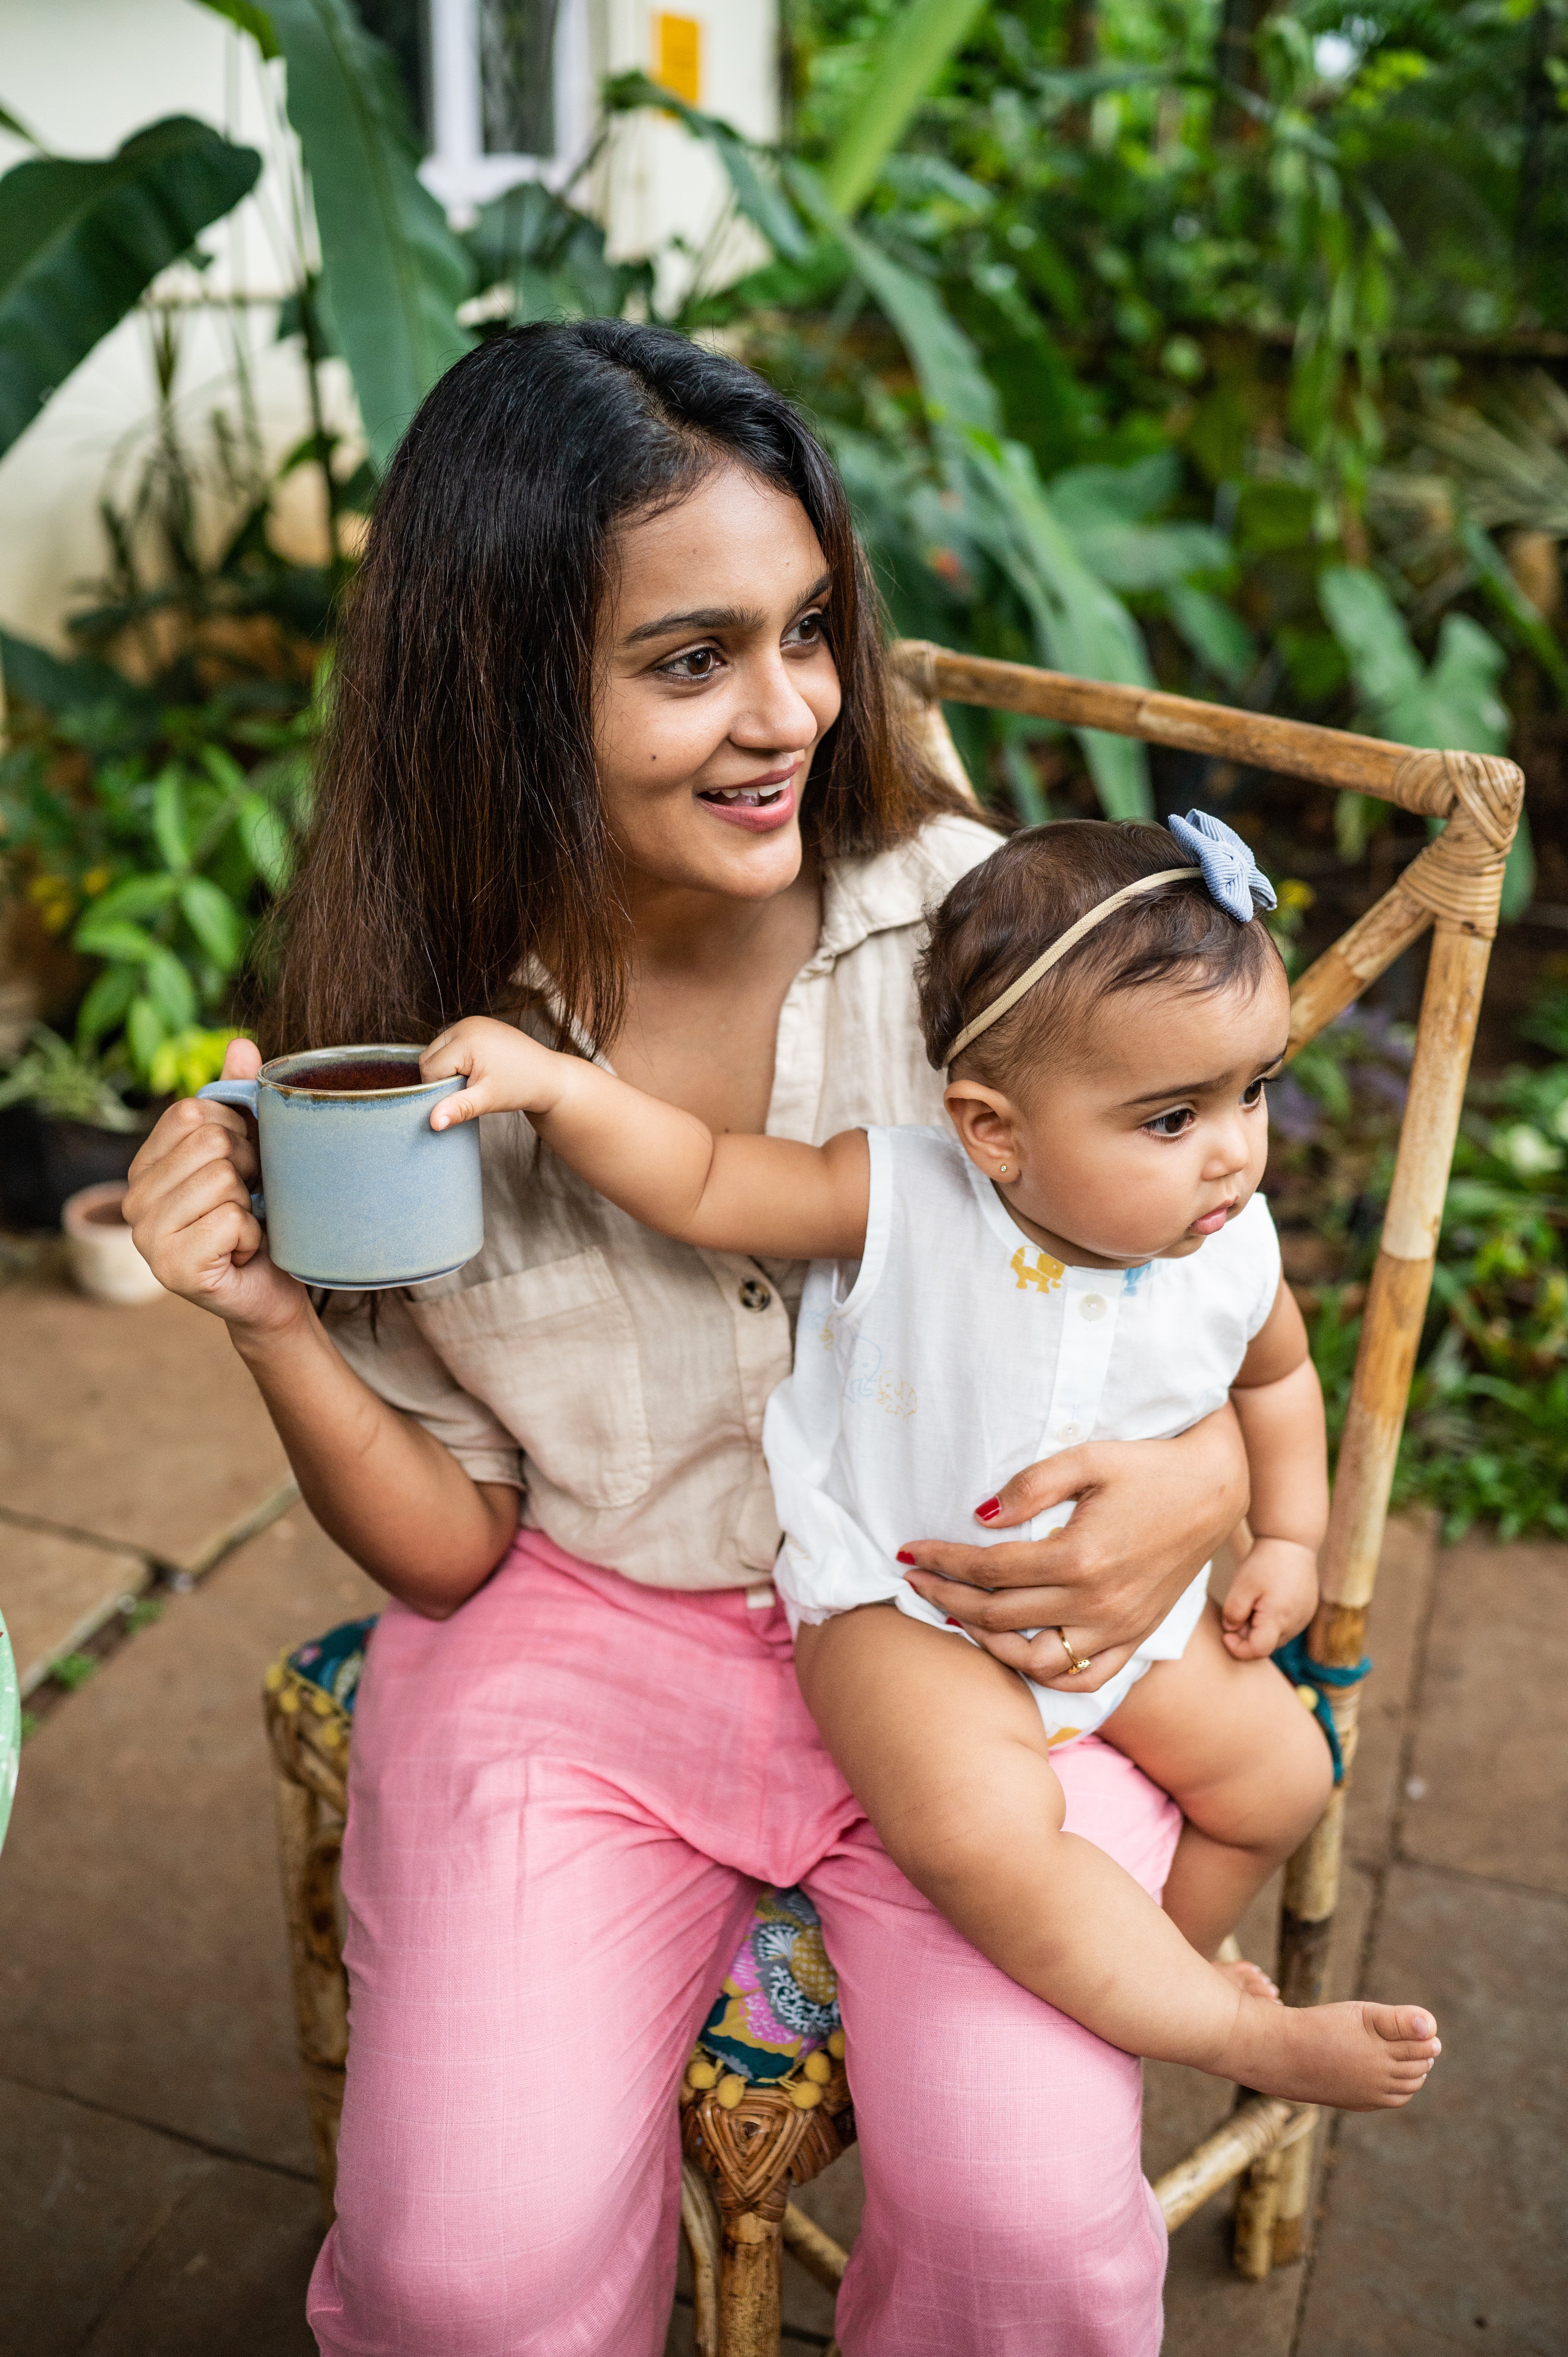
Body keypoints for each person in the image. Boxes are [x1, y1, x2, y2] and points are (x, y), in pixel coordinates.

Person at [129, 319, 1268, 2357]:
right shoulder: (388, 1033)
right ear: (497, 684)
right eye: (689, 661)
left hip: (969, 1642)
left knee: (1029, 2237)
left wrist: (1198, 1482)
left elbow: (1192, 1260)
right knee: (457, 2277)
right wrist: (267, 1320)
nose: (788, 716)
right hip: (575, 1655)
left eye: (808, 630)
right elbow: (452, 1551)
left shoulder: (966, 917)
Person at [421, 814, 1442, 2110]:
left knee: (1284, 1776)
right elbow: (704, 1180)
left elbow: (1278, 1378)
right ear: (994, 1128)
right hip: (910, 1611)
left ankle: (1161, 1963)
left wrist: (1289, 1537)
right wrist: (566, 1090)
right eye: (1173, 1117)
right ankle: (1229, 2033)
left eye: (1250, 1091)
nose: (1236, 1149)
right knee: (975, 1829)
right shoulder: (903, 1201)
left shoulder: (1228, 1248)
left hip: (1126, 1615)